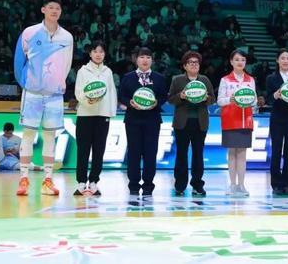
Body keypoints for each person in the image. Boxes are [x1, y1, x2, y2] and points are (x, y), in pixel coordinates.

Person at [14, 0, 73, 196]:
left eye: (58, 8)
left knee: (50, 136)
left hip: (54, 95)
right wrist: (27, 84)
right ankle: (23, 179)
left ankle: (48, 180)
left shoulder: (67, 37)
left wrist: (56, 83)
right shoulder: (29, 32)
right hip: (32, 94)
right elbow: (18, 61)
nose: (55, 11)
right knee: (28, 135)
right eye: (51, 7)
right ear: (43, 10)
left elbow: (66, 65)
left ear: (61, 12)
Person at [119, 47, 167, 196]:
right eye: (142, 57)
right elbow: (121, 95)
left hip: (152, 120)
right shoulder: (128, 77)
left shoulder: (159, 78)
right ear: (136, 60)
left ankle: (148, 184)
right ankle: (133, 184)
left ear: (152, 60)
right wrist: (129, 102)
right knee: (133, 153)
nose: (145, 60)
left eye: (148, 57)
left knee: (150, 153)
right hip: (133, 120)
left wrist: (156, 103)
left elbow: (163, 96)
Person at [168, 51, 215, 196]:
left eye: (196, 62)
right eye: (190, 62)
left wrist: (206, 98)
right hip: (182, 122)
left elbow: (212, 99)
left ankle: (197, 184)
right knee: (181, 154)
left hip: (200, 122)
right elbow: (170, 99)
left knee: (198, 154)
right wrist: (180, 96)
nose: (194, 65)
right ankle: (180, 185)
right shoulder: (177, 80)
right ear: (185, 66)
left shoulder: (205, 80)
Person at [73, 40, 117, 196]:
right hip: (85, 114)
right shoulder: (83, 71)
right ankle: (81, 182)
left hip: (102, 115)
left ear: (104, 54)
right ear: (90, 53)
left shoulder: (108, 71)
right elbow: (78, 92)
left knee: (99, 150)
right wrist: (87, 100)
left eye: (101, 51)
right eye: (95, 51)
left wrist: (110, 113)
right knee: (83, 149)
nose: (98, 54)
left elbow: (111, 92)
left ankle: (93, 182)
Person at [217, 49, 257, 197]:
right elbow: (220, 101)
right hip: (230, 120)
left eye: (243, 60)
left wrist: (251, 101)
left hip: (245, 121)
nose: (240, 62)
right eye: (237, 59)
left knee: (242, 154)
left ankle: (242, 185)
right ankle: (232, 185)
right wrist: (231, 99)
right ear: (231, 62)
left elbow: (254, 101)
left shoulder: (250, 80)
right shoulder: (225, 80)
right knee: (232, 153)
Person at [265, 49, 288, 197]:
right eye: (283, 58)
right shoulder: (271, 78)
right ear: (277, 60)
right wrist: (275, 95)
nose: (286, 61)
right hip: (277, 117)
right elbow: (268, 99)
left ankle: (287, 184)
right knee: (276, 151)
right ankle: (276, 184)